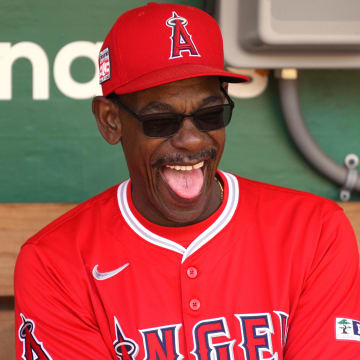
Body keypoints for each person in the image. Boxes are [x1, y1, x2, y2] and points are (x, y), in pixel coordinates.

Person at [14, 2, 360, 359]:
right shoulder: (55, 263)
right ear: (110, 121)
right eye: (161, 120)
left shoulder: (314, 231)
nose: (193, 140)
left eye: (211, 114)